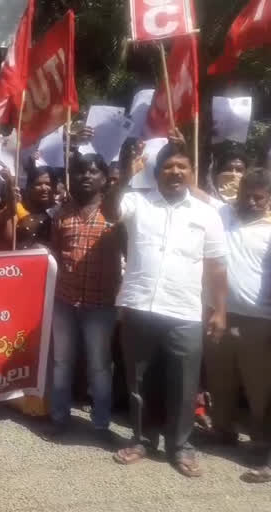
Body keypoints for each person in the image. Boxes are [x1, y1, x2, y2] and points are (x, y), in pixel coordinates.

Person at [112, 139, 228, 478]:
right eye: (168, 166)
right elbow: (109, 211)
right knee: (139, 379)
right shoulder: (136, 201)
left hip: (185, 310)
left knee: (184, 383)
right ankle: (143, 439)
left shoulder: (207, 214)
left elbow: (217, 266)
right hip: (140, 306)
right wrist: (124, 175)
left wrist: (220, 311)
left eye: (182, 166)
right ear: (156, 171)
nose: (175, 172)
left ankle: (180, 446)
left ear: (192, 172)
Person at [200, 170, 271, 483]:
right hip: (220, 316)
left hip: (261, 323)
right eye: (247, 195)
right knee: (221, 380)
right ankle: (223, 432)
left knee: (262, 391)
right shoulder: (224, 213)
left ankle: (264, 448)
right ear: (238, 194)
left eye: (260, 197)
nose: (252, 202)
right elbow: (196, 192)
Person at [49, 153, 121, 442]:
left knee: (99, 366)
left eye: (93, 171)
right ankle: (59, 417)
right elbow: (54, 254)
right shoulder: (61, 214)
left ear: (104, 178)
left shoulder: (115, 214)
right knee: (61, 363)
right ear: (72, 177)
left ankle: (101, 424)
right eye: (80, 172)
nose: (86, 176)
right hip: (64, 300)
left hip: (101, 304)